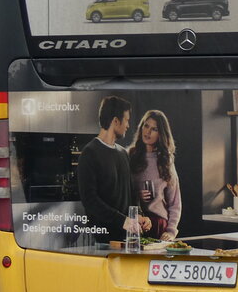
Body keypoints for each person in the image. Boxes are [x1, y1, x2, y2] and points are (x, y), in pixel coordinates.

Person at [77, 95, 150, 243]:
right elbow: (90, 201)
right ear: (116, 121)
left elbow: (131, 194)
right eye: (127, 120)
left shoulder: (123, 153)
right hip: (101, 242)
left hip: (127, 239)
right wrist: (123, 221)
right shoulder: (89, 153)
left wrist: (139, 216)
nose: (128, 125)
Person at [128, 108, 182, 241]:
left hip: (158, 226)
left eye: (154, 129)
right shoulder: (129, 155)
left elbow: (175, 202)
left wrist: (170, 231)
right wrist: (136, 195)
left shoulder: (166, 161)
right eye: (146, 126)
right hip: (134, 223)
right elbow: (121, 193)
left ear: (161, 134)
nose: (148, 132)